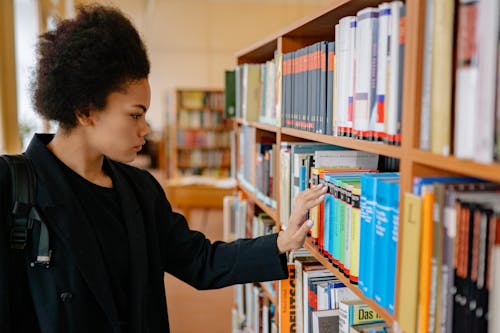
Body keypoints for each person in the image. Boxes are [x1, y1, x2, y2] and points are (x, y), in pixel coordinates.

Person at [0, 5, 328, 333]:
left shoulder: (140, 189)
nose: (145, 129)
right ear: (87, 111)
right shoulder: (12, 187)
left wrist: (281, 242)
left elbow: (200, 261)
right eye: (134, 114)